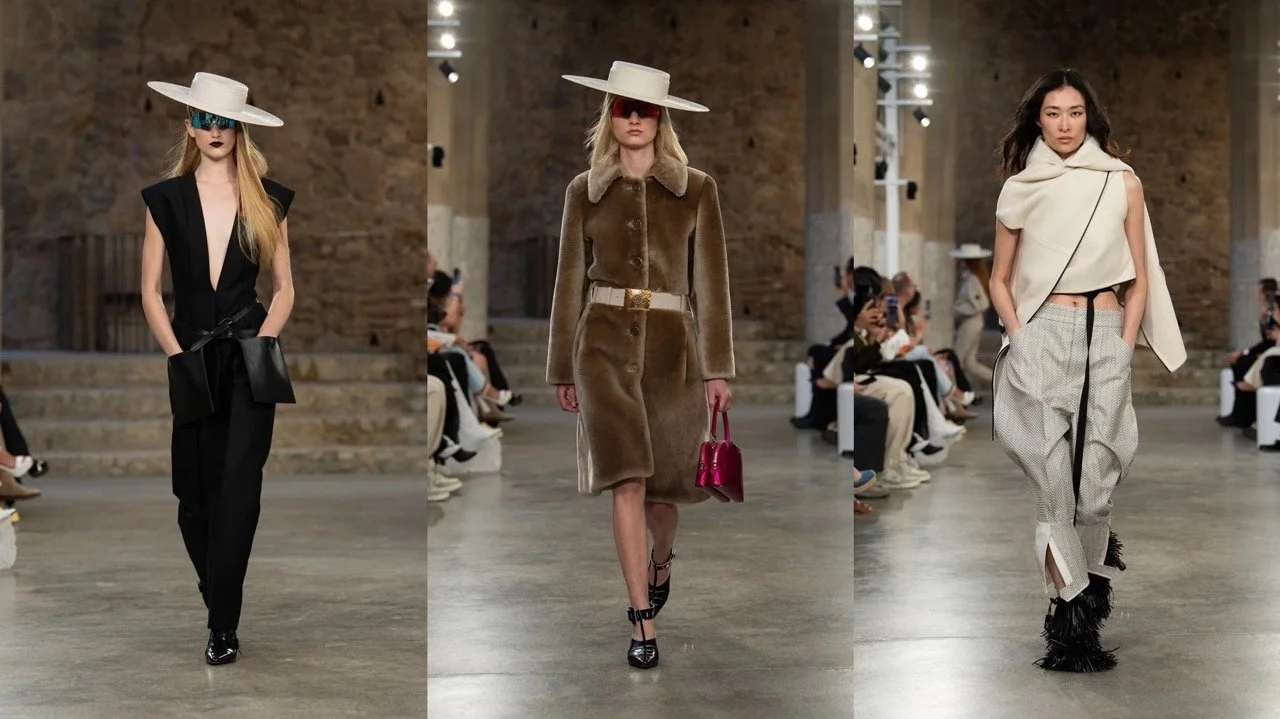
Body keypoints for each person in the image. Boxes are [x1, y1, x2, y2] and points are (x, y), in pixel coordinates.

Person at [989, 68, 1185, 672]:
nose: (1065, 124)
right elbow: (999, 278)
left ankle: (1087, 597)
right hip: (1043, 331)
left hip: (1105, 331)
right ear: (1037, 120)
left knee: (1095, 488)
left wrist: (1124, 346)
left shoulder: (1122, 182)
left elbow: (1141, 275)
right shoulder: (1021, 187)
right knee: (1054, 486)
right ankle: (1069, 620)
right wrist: (1019, 338)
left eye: (1075, 112)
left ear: (1089, 117)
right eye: (1053, 113)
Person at [546, 61, 733, 670]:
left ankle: (661, 558)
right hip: (601, 347)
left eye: (644, 109)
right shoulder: (584, 190)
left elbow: (713, 285)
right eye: (622, 108)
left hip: (673, 350)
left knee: (663, 495)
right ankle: (640, 618)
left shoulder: (696, 189)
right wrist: (562, 367)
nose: (632, 118)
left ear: (660, 119)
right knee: (626, 481)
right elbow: (568, 282)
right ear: (609, 116)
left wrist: (717, 368)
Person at [140, 72, 298, 666]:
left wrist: (264, 340)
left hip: (249, 357)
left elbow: (284, 288)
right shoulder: (165, 200)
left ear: (238, 130)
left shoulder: (267, 199)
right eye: (204, 120)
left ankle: (223, 623)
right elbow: (150, 292)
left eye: (224, 121)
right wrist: (177, 354)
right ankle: (216, 590)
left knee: (239, 488)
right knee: (192, 494)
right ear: (189, 126)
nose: (214, 130)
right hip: (190, 356)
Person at [951, 244, 995, 386]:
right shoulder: (970, 278)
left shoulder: (972, 280)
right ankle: (998, 382)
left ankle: (954, 392)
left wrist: (961, 310)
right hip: (971, 322)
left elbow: (983, 304)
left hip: (971, 322)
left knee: (956, 359)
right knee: (970, 363)